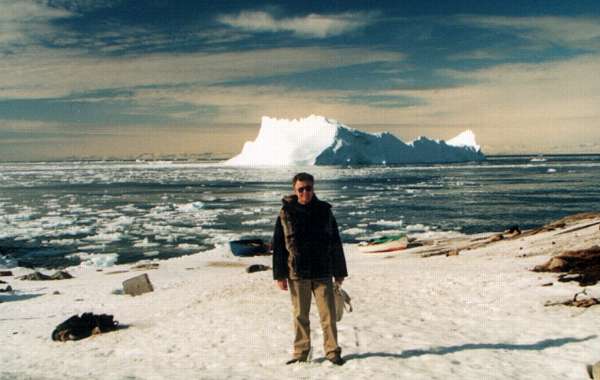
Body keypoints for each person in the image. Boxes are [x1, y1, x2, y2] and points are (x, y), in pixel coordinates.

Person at [272, 172, 348, 366]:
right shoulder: (285, 213)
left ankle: (332, 351)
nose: (305, 192)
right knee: (300, 315)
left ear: (314, 188)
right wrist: (279, 275)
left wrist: (339, 272)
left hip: (322, 271)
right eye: (301, 189)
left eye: (308, 188)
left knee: (328, 315)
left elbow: (335, 242)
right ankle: (301, 352)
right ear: (294, 190)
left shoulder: (324, 211)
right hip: (297, 273)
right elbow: (279, 247)